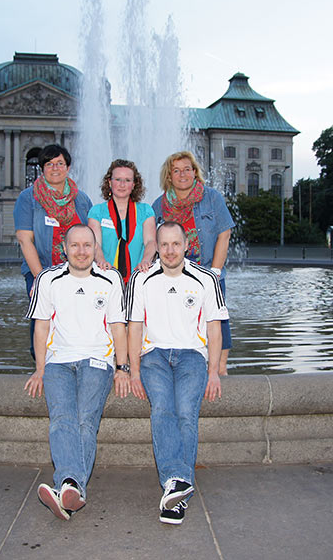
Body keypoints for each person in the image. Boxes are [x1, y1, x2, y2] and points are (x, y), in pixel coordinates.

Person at [24, 223, 130, 520]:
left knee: (85, 419)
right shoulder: (48, 279)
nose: (81, 251)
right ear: (64, 249)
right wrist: (39, 368)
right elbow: (41, 326)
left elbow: (118, 327)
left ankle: (67, 484)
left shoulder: (110, 279)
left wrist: (122, 368)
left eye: (87, 245)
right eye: (75, 245)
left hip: (97, 361)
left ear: (96, 248)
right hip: (58, 362)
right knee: (61, 418)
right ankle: (72, 488)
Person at [126, 221, 226, 525]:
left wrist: (213, 372)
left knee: (186, 411)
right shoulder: (142, 279)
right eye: (164, 244)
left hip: (192, 356)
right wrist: (133, 372)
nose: (170, 250)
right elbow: (134, 327)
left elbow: (214, 328)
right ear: (156, 247)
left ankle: (175, 488)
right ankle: (178, 482)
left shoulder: (206, 279)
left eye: (176, 244)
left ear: (186, 245)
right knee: (162, 409)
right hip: (153, 355)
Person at [152, 151, 235, 375]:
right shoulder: (159, 205)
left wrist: (215, 271)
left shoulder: (212, 198)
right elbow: (153, 241)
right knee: (180, 320)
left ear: (195, 173)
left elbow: (224, 234)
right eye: (176, 170)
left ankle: (221, 368)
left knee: (218, 318)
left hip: (208, 271)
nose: (182, 174)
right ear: (169, 176)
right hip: (174, 275)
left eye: (187, 169)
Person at [14, 144, 93, 356]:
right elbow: (25, 240)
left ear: (68, 167)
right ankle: (41, 363)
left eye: (60, 163)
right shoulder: (28, 198)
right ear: (42, 168)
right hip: (41, 270)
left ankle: (73, 360)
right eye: (49, 164)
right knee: (44, 318)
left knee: (76, 321)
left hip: (77, 273)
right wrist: (41, 279)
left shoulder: (81, 199)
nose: (55, 168)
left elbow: (91, 238)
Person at [87, 159, 157, 283]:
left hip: (139, 276)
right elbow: (95, 243)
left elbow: (151, 241)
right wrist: (101, 261)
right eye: (118, 179)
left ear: (134, 184)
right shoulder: (97, 212)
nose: (122, 184)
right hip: (105, 276)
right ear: (109, 182)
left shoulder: (146, 211)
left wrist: (146, 261)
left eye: (127, 180)